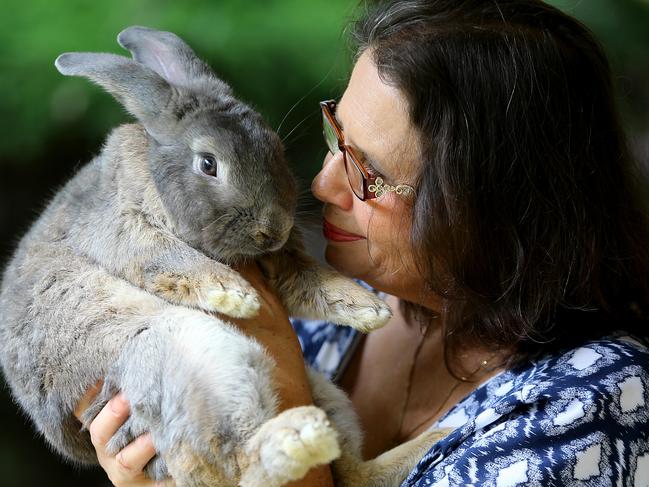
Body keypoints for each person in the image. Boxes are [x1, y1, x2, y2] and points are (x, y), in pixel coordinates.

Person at [76, 0, 649, 485]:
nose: (323, 183)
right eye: (336, 136)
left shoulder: (600, 404)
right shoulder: (334, 312)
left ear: (491, 208)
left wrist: (277, 362)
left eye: (367, 171)